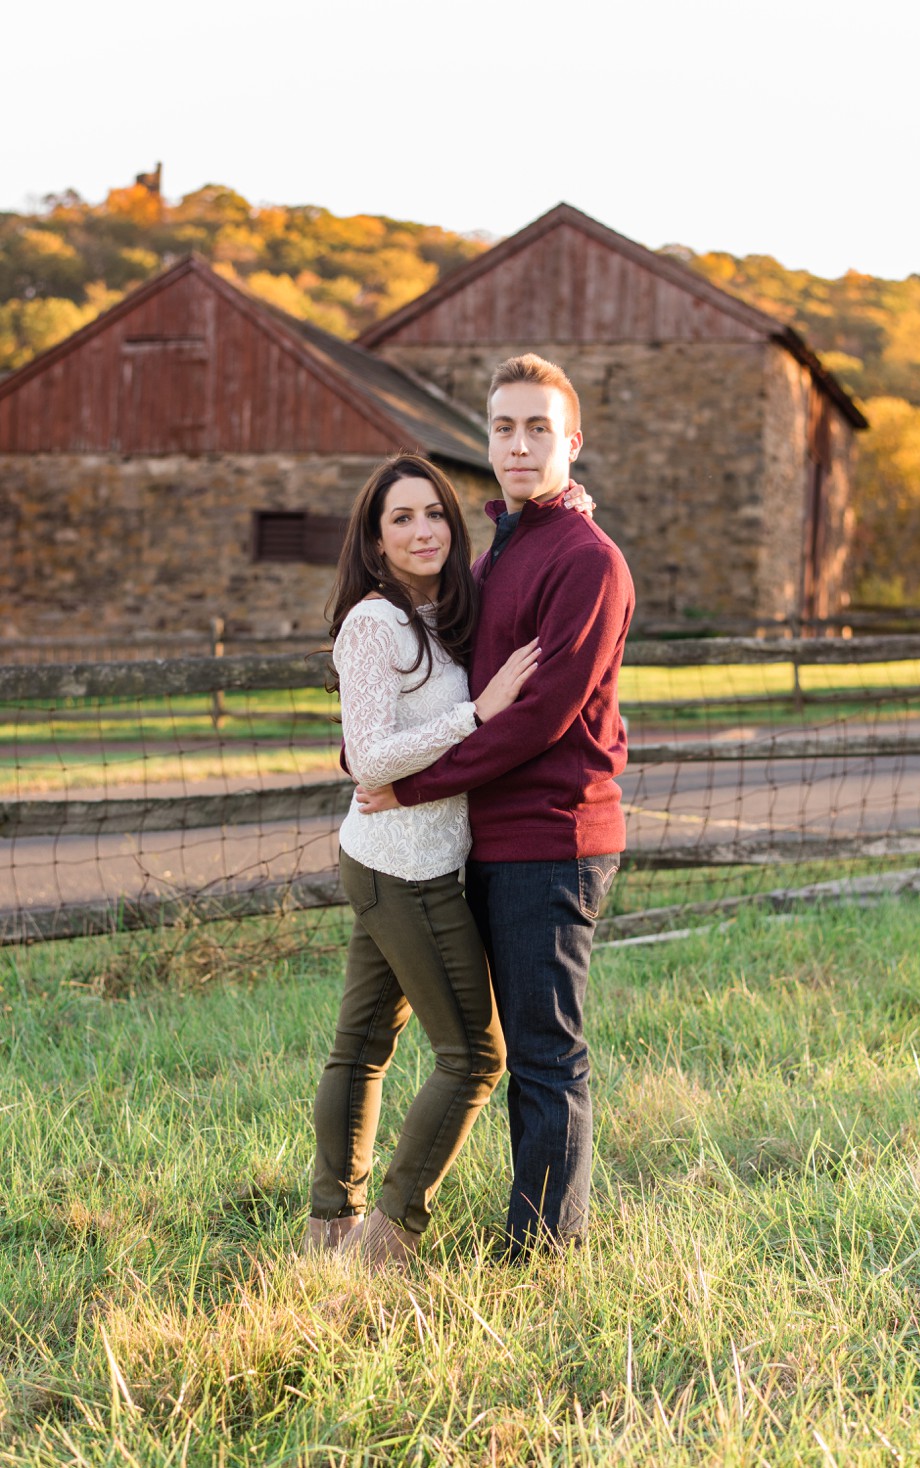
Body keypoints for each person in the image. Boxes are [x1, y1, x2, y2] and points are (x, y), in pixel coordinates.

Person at [356, 355, 635, 1261]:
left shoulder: (588, 560)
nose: (519, 444)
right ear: (487, 440)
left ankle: (542, 1254)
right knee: (498, 1049)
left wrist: (410, 786)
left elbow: (542, 720)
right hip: (488, 837)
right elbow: (444, 685)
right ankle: (509, 1226)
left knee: (546, 1053)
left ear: (572, 442)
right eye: (504, 428)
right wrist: (368, 750)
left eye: (538, 429)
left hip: (552, 837)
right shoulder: (500, 549)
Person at [304, 452, 541, 1272]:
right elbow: (369, 758)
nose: (422, 530)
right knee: (475, 1057)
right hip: (402, 866)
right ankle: (388, 1236)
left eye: (433, 513)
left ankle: (331, 1225)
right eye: (400, 519)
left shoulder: (442, 614)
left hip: (407, 855)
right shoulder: (373, 624)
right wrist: (480, 711)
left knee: (362, 1045)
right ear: (373, 542)